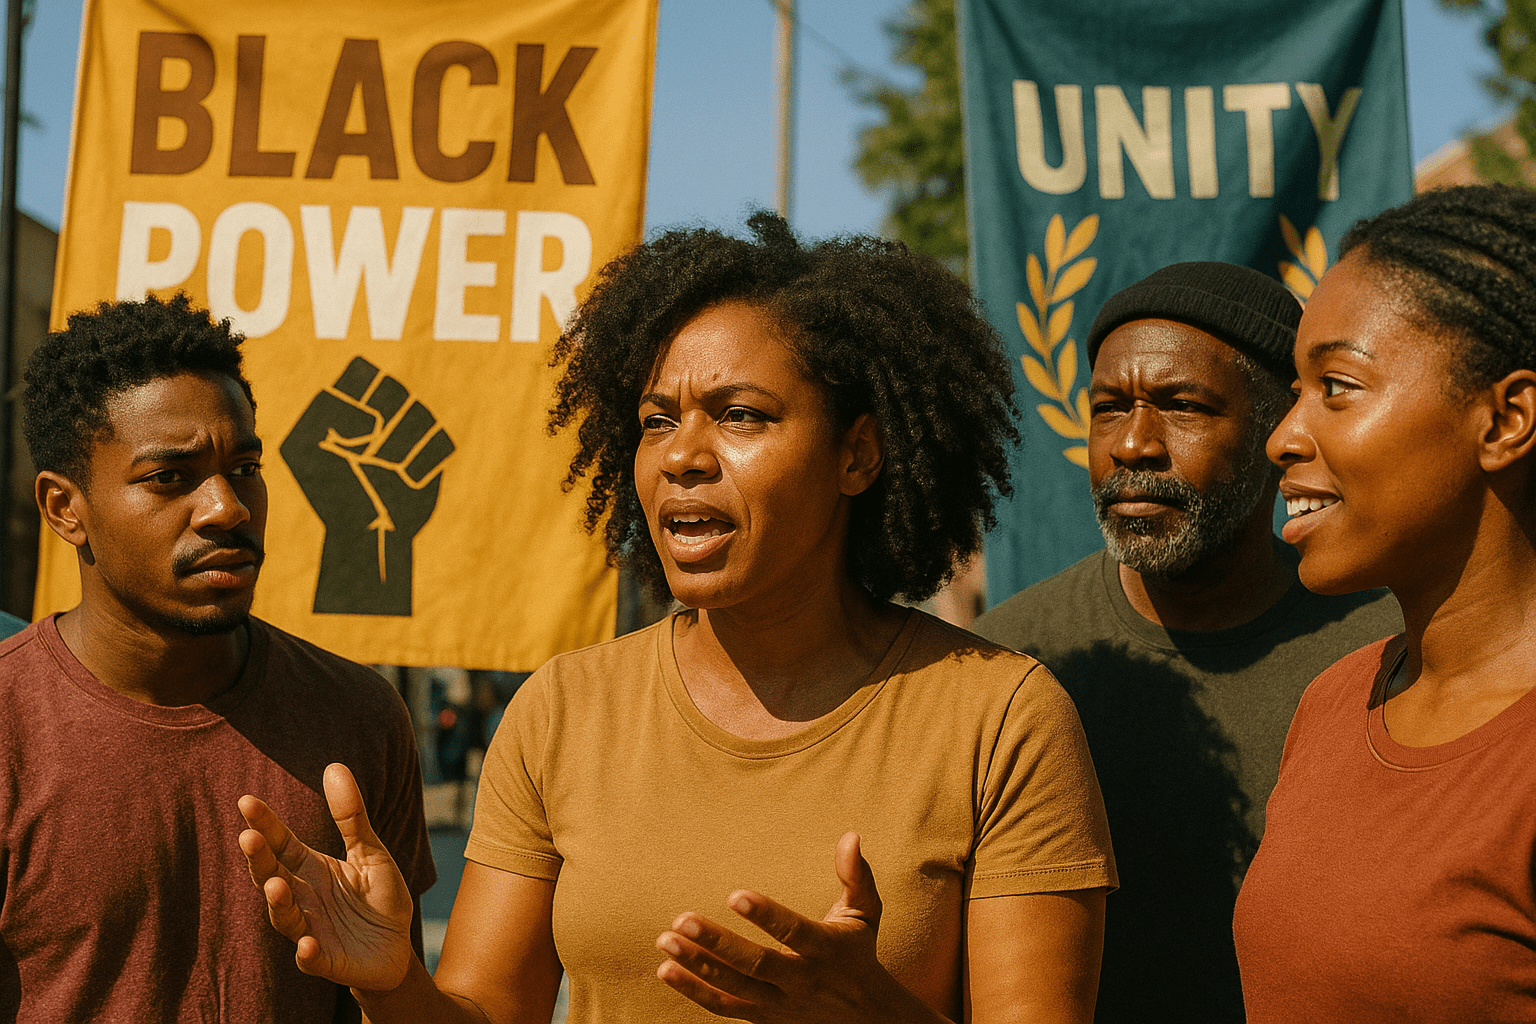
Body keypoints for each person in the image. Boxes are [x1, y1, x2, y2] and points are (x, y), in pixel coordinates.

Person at [238, 212, 1117, 1023]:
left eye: (741, 415)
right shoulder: (562, 710)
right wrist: (395, 984)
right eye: (657, 421)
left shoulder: (1000, 717)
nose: (683, 457)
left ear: (857, 453)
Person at [972, 262, 1402, 1023]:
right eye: (1108, 408)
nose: (1134, 444)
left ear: (1281, 429)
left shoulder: (1390, 653)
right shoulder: (1008, 668)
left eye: (1182, 406)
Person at [0, 293, 435, 1022]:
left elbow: (400, 1000)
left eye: (245, 466)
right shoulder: (12, 726)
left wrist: (391, 988)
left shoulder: (357, 717)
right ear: (64, 508)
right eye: (170, 477)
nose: (226, 507)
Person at [1234, 185, 1536, 1021]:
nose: (1282, 437)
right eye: (1295, 390)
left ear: (1505, 419)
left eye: (1336, 385)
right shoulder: (1333, 703)